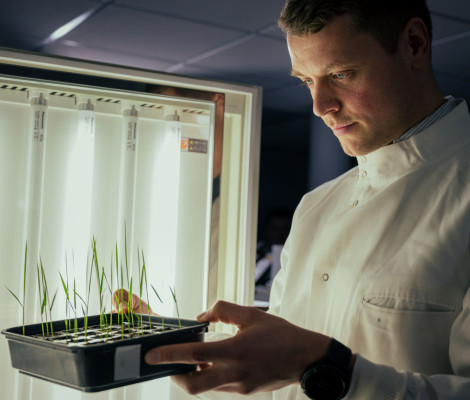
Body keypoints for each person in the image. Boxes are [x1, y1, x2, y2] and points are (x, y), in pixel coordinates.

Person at [115, 0, 470, 398]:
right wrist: (181, 347)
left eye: (341, 73)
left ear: (415, 44)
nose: (320, 107)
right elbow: (277, 375)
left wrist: (323, 367)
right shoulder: (316, 207)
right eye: (306, 81)